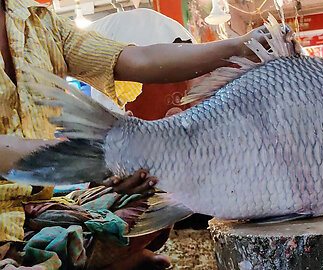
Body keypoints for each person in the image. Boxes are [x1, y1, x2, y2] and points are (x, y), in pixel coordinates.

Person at [0, 0, 299, 269]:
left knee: (159, 191)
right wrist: (105, 154)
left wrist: (236, 47)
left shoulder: (37, 19)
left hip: (36, 206)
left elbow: (135, 58)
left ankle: (96, 254)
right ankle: (97, 258)